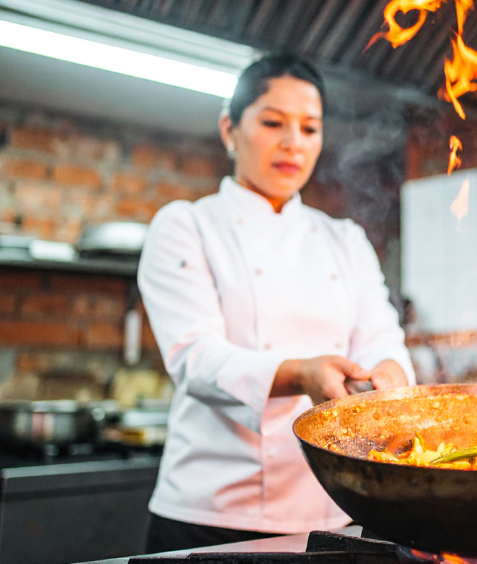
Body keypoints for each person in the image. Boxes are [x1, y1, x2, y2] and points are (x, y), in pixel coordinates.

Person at [137, 54, 415, 553]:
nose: (293, 143)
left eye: (309, 129)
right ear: (230, 129)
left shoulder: (344, 239)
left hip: (330, 508)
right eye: (272, 123)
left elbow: (380, 334)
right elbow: (194, 358)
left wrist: (389, 376)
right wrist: (303, 373)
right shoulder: (186, 226)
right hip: (212, 510)